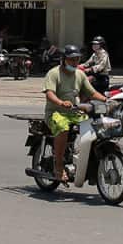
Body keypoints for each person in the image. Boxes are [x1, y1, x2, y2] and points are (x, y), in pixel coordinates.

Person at [42, 45, 107, 184]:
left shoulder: (80, 74)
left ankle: (88, 163)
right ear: (64, 59)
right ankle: (58, 165)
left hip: (75, 111)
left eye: (77, 59)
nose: (75, 62)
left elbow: (92, 92)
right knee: (63, 128)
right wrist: (60, 102)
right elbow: (49, 93)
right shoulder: (53, 73)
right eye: (71, 60)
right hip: (56, 112)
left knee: (94, 128)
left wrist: (107, 100)